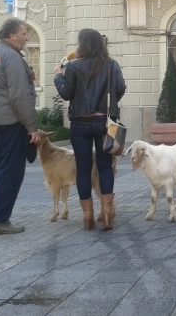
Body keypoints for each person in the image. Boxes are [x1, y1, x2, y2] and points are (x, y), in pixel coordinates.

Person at [0, 17, 42, 236]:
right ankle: (0, 220)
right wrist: (31, 127)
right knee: (9, 171)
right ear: (12, 35)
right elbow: (20, 96)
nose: (27, 37)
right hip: (10, 123)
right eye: (24, 34)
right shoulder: (12, 57)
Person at [54, 29, 126, 230]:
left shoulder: (74, 66)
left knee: (83, 169)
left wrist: (58, 76)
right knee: (105, 167)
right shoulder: (111, 65)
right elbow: (120, 88)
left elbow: (66, 93)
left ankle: (88, 217)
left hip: (80, 123)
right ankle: (107, 213)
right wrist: (108, 104)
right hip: (106, 124)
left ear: (81, 45)